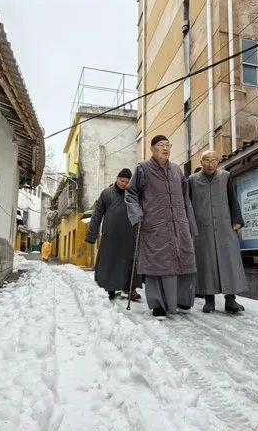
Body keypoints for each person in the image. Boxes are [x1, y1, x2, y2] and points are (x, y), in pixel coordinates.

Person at [125, 135, 198, 318]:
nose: (165, 148)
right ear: (152, 149)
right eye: (160, 145)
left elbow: (185, 198)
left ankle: (182, 299)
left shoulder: (176, 170)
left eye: (167, 145)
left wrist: (189, 222)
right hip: (155, 224)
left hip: (178, 223)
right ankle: (158, 304)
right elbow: (131, 193)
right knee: (157, 263)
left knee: (184, 258)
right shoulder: (143, 169)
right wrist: (137, 215)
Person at [189, 150, 247, 313]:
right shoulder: (192, 180)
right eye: (206, 160)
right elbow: (188, 204)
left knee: (229, 262)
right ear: (201, 163)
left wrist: (237, 219)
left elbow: (232, 199)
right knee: (207, 264)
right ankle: (209, 300)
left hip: (224, 226)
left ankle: (231, 300)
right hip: (203, 229)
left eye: (214, 160)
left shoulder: (225, 177)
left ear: (218, 162)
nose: (210, 163)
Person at [85, 169, 142, 301]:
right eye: (122, 180)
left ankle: (130, 289)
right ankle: (110, 287)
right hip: (110, 235)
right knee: (110, 261)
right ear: (117, 178)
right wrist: (91, 235)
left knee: (130, 262)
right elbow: (97, 214)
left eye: (127, 182)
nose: (124, 184)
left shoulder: (133, 194)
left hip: (129, 235)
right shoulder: (106, 193)